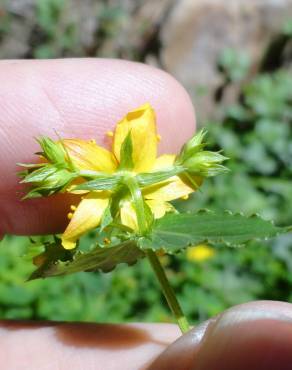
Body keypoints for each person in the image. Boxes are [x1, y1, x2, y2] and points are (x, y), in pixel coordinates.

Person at [0, 59, 292, 370]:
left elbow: (166, 192)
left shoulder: (162, 179)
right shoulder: (96, 196)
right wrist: (69, 238)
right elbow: (89, 224)